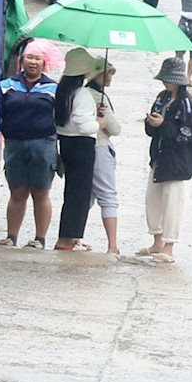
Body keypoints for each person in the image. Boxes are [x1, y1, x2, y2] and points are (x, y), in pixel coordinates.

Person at [137, 58, 192, 263]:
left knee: (173, 203)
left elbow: (185, 134)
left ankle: (169, 247)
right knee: (153, 200)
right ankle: (157, 240)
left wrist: (163, 124)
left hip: (179, 161)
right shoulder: (162, 97)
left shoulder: (188, 104)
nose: (165, 83)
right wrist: (152, 123)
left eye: (169, 80)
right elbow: (151, 129)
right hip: (159, 156)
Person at [0, 49, 59, 248]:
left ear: (44, 63)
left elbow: (63, 116)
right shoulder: (7, 86)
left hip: (43, 144)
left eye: (37, 58)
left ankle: (39, 239)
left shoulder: (53, 88)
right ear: (22, 61)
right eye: (29, 58)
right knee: (17, 192)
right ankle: (11, 237)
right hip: (14, 143)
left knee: (41, 191)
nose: (33, 62)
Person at [52, 52, 104, 252]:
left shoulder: (64, 90)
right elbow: (84, 125)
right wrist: (97, 122)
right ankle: (68, 238)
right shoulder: (82, 94)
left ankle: (69, 235)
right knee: (79, 193)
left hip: (66, 142)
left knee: (72, 191)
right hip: (82, 144)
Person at [89, 63, 123, 256]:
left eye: (111, 72)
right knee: (108, 197)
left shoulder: (79, 93)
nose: (109, 77)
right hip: (100, 148)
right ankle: (112, 245)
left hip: (83, 148)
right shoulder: (99, 98)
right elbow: (115, 129)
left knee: (86, 196)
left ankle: (75, 237)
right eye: (105, 73)